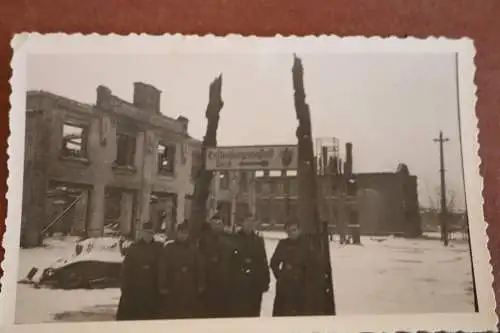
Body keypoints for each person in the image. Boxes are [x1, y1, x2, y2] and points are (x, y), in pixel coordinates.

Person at [157, 221, 205, 319]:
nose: (183, 235)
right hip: (173, 286)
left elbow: (200, 267)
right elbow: (163, 267)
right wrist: (162, 285)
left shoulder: (193, 249)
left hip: (189, 286)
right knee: (173, 313)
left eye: (185, 233)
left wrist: (201, 284)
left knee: (188, 313)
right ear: (177, 233)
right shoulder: (169, 248)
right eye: (181, 232)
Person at [116, 222, 163, 321]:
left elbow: (163, 267)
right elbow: (126, 270)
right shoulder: (134, 248)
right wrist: (125, 287)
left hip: (153, 290)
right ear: (142, 233)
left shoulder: (158, 248)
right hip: (136, 289)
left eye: (150, 233)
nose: (148, 235)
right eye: (146, 232)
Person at [270, 221, 315, 317]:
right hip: (286, 287)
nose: (292, 233)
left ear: (299, 230)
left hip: (302, 287)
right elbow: (274, 263)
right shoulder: (283, 244)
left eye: (294, 230)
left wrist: (306, 278)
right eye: (289, 231)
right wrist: (280, 276)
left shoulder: (307, 245)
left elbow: (313, 264)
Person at [230, 216, 270, 317]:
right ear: (242, 223)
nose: (249, 224)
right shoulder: (234, 238)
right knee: (238, 312)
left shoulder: (258, 240)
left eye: (252, 221)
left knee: (254, 312)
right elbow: (230, 260)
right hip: (238, 283)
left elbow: (263, 261)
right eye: (247, 221)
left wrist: (266, 280)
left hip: (254, 284)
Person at [197, 215, 233, 318]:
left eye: (219, 224)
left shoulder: (230, 239)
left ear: (223, 225)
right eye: (214, 224)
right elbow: (199, 260)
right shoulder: (204, 240)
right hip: (209, 282)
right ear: (211, 225)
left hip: (226, 282)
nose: (217, 226)